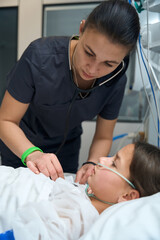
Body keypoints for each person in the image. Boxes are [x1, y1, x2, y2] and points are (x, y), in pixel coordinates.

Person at [0, 0, 140, 183]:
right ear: (81, 29)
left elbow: (103, 136)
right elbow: (5, 121)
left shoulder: (116, 80)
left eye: (109, 63)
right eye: (89, 53)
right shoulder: (40, 57)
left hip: (66, 150)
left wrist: (91, 163)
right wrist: (32, 154)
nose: (93, 69)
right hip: (21, 144)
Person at [0, 141, 160, 240]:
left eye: (113, 163)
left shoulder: (78, 216)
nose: (102, 160)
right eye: (111, 157)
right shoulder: (85, 195)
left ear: (127, 196)